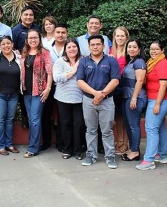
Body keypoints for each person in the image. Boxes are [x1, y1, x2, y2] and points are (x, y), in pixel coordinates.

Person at [77, 35, 120, 169]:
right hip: (89, 100)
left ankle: (110, 156)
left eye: (98, 44)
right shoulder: (84, 62)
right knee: (91, 129)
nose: (95, 47)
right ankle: (91, 155)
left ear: (103, 46)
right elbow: (80, 81)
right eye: (92, 44)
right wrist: (95, 94)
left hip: (107, 101)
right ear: (89, 46)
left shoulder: (111, 61)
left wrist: (102, 94)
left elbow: (115, 80)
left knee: (107, 130)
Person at [136, 41, 167, 170]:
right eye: (152, 49)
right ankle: (162, 155)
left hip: (159, 99)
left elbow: (164, 85)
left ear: (162, 50)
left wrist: (157, 104)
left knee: (151, 128)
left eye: (156, 49)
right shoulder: (151, 63)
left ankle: (149, 160)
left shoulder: (163, 64)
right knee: (160, 127)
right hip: (154, 98)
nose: (153, 51)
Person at [21, 29, 53, 158]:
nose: (33, 40)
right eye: (30, 38)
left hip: (39, 91)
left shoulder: (45, 53)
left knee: (34, 119)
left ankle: (33, 148)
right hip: (26, 91)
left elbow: (49, 72)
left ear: (39, 39)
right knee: (31, 119)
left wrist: (48, 89)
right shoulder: (24, 52)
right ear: (27, 39)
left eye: (35, 37)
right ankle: (33, 144)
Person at [0, 35, 22, 156]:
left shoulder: (18, 57)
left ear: (12, 44)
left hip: (13, 94)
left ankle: (9, 144)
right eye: (3, 44)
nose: (6, 46)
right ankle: (0, 145)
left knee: (9, 120)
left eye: (8, 43)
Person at [53, 38, 84, 160]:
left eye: (74, 47)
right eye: (69, 47)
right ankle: (67, 149)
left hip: (80, 98)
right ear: (65, 49)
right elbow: (57, 78)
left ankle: (78, 150)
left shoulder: (83, 60)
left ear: (78, 48)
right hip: (63, 98)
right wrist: (73, 72)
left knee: (79, 124)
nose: (72, 49)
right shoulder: (60, 62)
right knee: (65, 124)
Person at [12, 7, 41, 128]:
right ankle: (25, 117)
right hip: (22, 64)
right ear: (21, 16)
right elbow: (12, 46)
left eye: (31, 15)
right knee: (23, 91)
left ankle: (34, 119)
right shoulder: (15, 30)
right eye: (26, 15)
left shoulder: (38, 28)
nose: (28, 17)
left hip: (37, 64)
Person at [41, 23, 68, 151]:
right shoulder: (46, 49)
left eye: (63, 33)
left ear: (66, 34)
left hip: (66, 86)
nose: (60, 35)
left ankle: (61, 142)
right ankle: (46, 141)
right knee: (46, 114)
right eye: (58, 32)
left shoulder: (71, 48)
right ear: (54, 34)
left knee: (63, 115)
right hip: (49, 85)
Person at [120, 39, 147, 162]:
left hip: (136, 97)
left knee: (133, 125)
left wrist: (134, 98)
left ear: (139, 49)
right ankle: (132, 148)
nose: (131, 49)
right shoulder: (130, 61)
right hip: (127, 97)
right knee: (129, 125)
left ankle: (135, 151)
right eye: (129, 47)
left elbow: (140, 80)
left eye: (134, 47)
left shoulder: (139, 62)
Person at [110, 26, 129, 155]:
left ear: (126, 37)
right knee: (116, 116)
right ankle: (118, 140)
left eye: (122, 36)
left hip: (125, 86)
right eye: (118, 36)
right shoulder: (112, 50)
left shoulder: (129, 51)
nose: (120, 38)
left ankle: (124, 143)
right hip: (114, 87)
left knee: (124, 116)